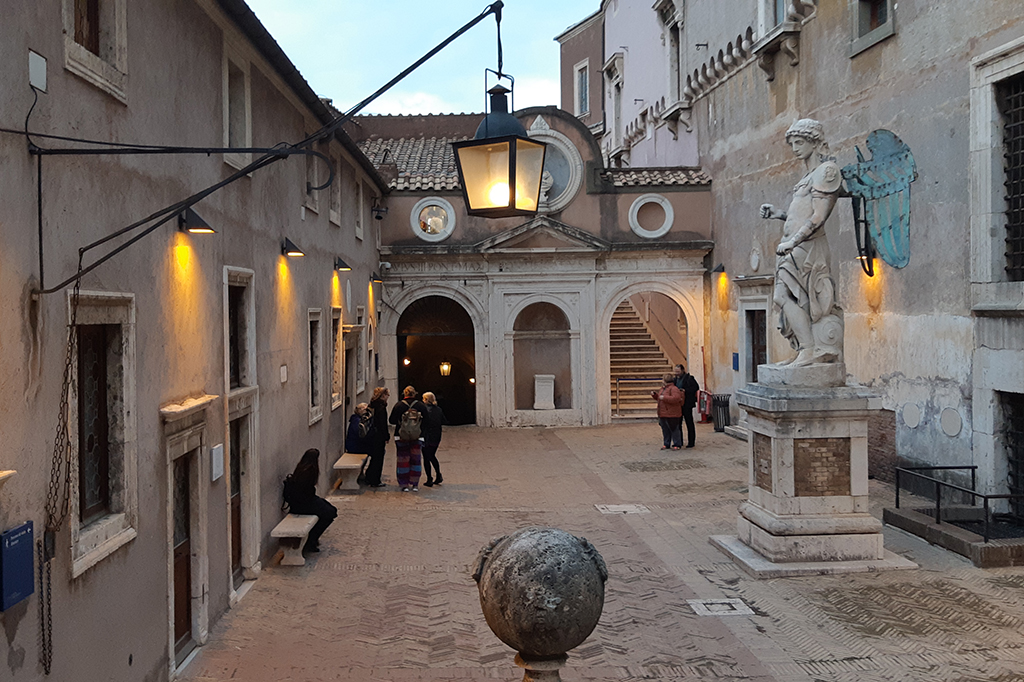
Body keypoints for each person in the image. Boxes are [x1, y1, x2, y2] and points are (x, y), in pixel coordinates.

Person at [759, 118, 843, 367]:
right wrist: (779, 214)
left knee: (785, 297)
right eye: (793, 143)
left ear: (814, 142)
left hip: (808, 249)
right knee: (787, 299)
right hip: (793, 247)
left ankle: (809, 350)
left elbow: (818, 217)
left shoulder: (827, 172)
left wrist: (792, 242)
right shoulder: (808, 176)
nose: (795, 148)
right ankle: (804, 350)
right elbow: (801, 215)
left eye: (799, 142)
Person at [282, 448, 337, 553]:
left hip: (301, 502)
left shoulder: (300, 468)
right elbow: (307, 493)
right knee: (330, 513)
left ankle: (312, 539)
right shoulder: (310, 471)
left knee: (328, 509)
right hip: (304, 504)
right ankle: (311, 540)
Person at [389, 386, 428, 492]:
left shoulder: (399, 405)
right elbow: (427, 421)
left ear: (404, 394)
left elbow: (392, 420)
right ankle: (415, 484)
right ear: (415, 394)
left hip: (401, 436)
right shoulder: (421, 405)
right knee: (416, 460)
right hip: (417, 436)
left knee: (403, 460)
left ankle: (404, 484)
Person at [364, 387, 390, 488]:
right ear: (383, 395)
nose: (388, 397)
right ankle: (375, 480)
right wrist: (386, 436)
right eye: (387, 395)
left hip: (371, 435)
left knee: (374, 458)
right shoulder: (381, 407)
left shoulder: (372, 404)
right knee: (378, 458)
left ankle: (369, 476)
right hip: (378, 436)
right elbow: (382, 424)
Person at [420, 392, 446, 487]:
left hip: (426, 436)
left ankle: (429, 478)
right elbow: (443, 420)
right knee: (432, 456)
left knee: (426, 458)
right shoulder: (438, 409)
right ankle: (438, 474)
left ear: (426, 400)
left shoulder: (424, 410)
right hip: (436, 436)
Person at [651, 373, 683, 450]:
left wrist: (664, 398)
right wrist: (655, 395)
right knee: (665, 429)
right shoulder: (663, 389)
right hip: (663, 412)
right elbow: (660, 398)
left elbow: (676, 398)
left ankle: (677, 444)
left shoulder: (674, 389)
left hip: (672, 413)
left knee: (674, 429)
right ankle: (666, 443)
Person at [673, 364, 700, 448]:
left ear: (682, 370)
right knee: (678, 423)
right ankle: (679, 442)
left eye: (678, 371)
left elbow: (696, 388)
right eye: (676, 371)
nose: (677, 373)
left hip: (687, 403)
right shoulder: (674, 380)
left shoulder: (689, 378)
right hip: (678, 404)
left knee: (689, 422)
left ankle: (691, 442)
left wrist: (685, 390)